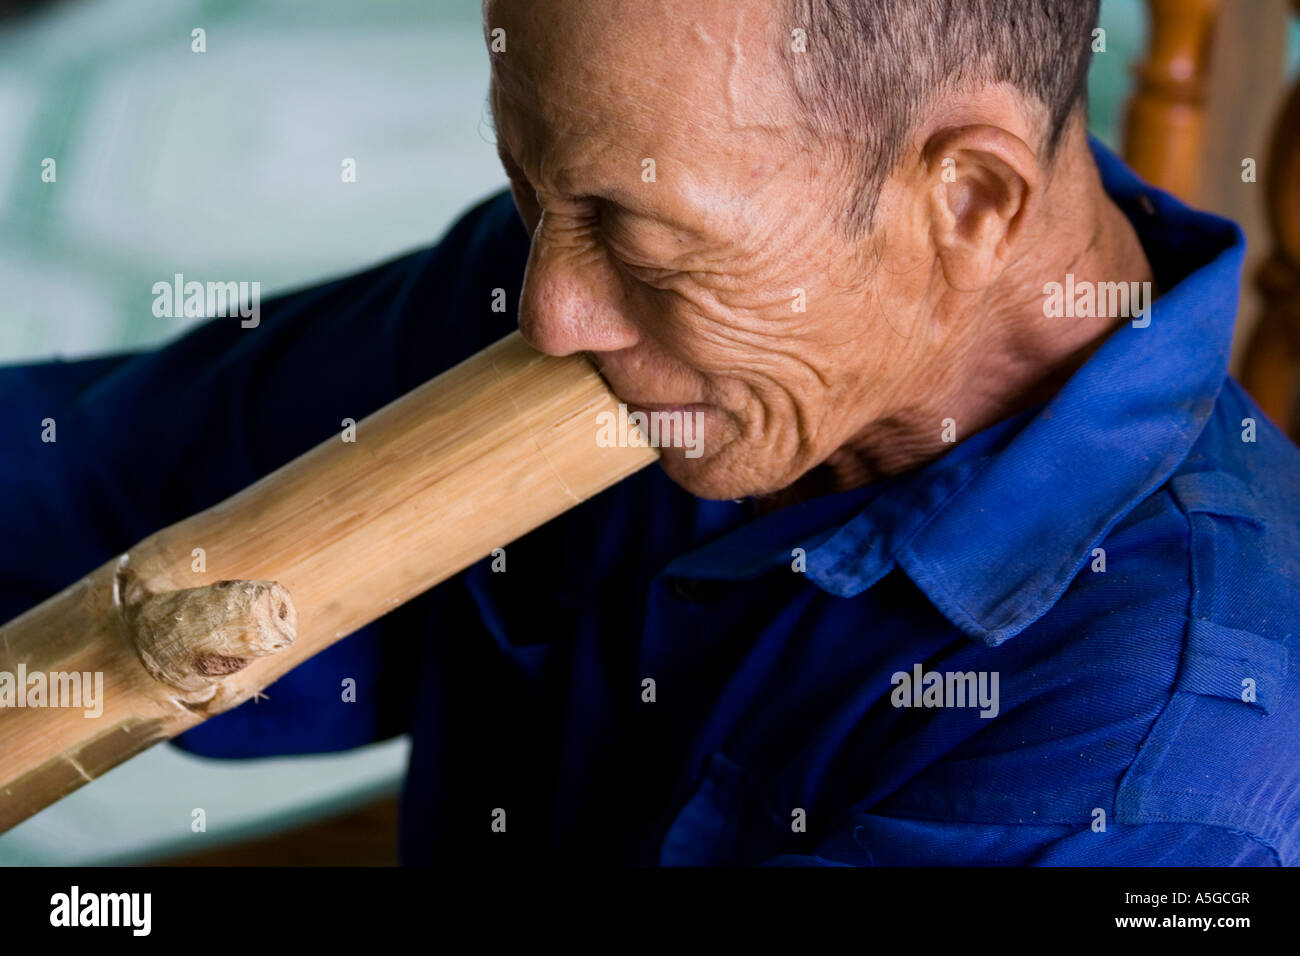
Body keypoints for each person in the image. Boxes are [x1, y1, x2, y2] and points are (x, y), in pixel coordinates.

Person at [2, 0, 1297, 865]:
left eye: (642, 238)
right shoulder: (601, 298)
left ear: (966, 197)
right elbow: (76, 488)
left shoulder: (1159, 769)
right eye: (532, 191)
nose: (552, 313)